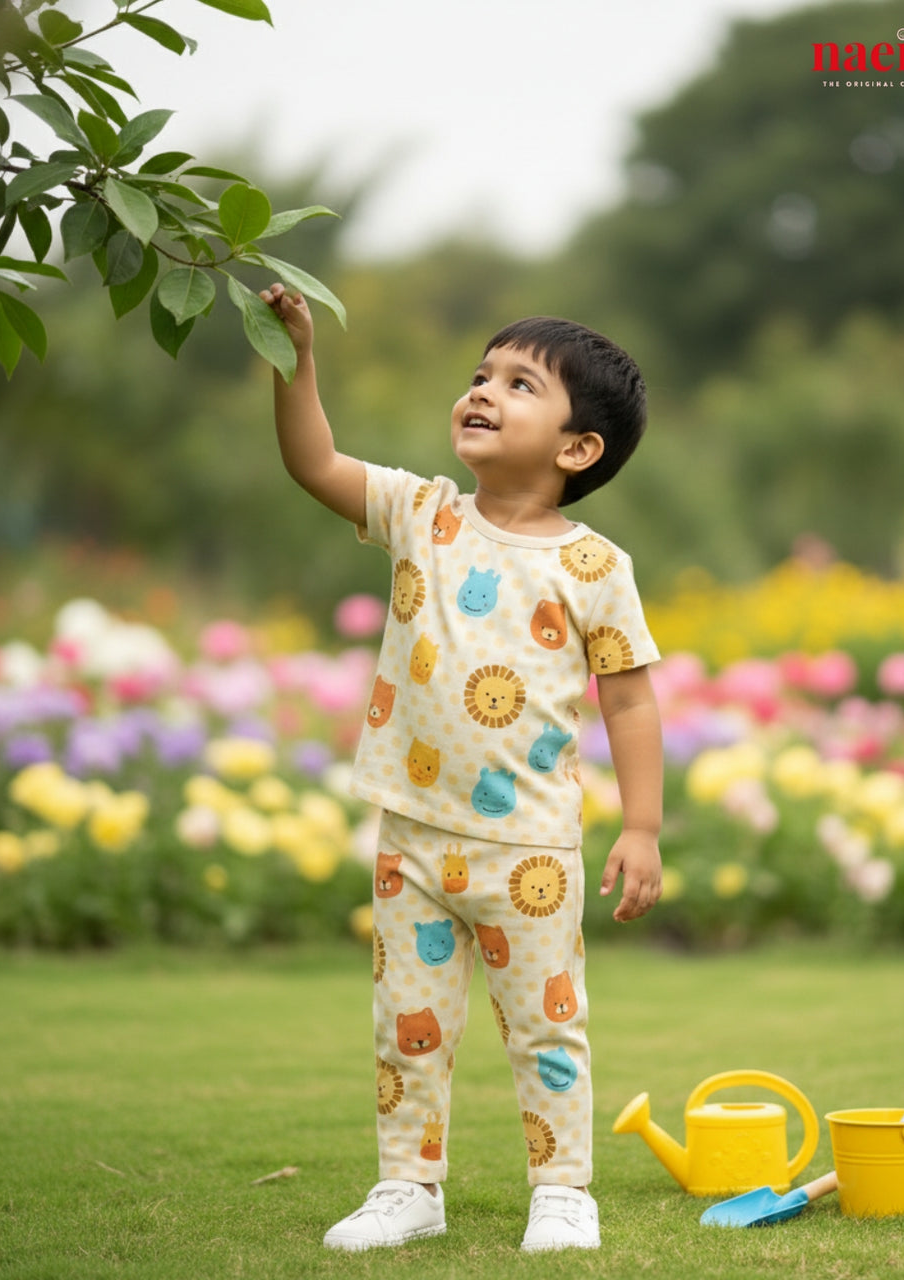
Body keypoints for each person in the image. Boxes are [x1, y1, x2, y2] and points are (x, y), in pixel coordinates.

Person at [261, 283, 664, 1253]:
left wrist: (643, 826)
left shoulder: (595, 568)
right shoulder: (421, 513)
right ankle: (408, 1186)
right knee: (408, 1026)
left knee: (546, 1029)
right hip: (411, 833)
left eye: (520, 384)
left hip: (528, 849)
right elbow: (313, 462)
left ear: (577, 448)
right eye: (481, 374)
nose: (482, 391)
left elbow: (630, 701)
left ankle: (562, 1191)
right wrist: (297, 358)